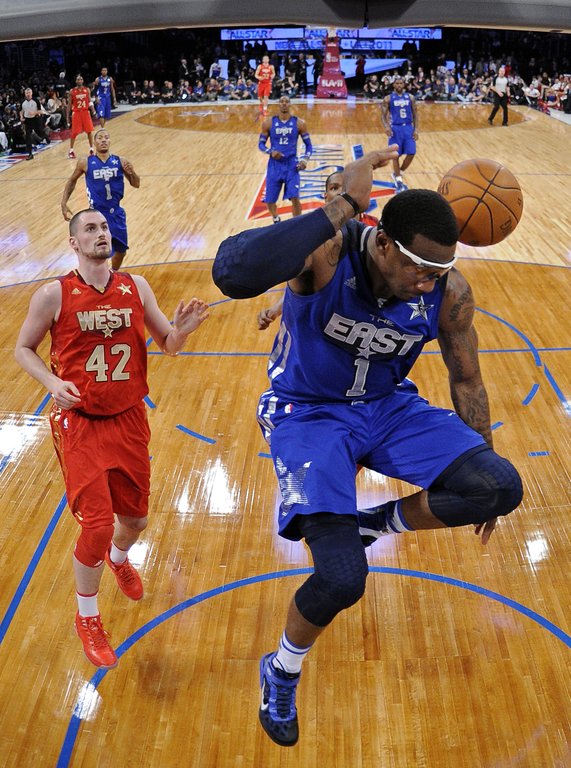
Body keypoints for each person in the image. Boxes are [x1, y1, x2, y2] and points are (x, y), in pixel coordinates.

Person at [213, 149, 523, 747]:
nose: (430, 283)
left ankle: (372, 522)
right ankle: (282, 670)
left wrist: (480, 458)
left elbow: (466, 379)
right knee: (342, 580)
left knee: (499, 485)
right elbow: (233, 271)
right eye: (420, 269)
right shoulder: (329, 253)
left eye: (440, 270)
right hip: (309, 413)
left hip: (387, 407)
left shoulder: (448, 291)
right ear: (382, 243)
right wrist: (342, 205)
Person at [15, 209, 208, 669]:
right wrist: (51, 383)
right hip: (80, 423)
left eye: (104, 227)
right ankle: (88, 617)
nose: (101, 233)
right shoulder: (53, 294)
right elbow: (23, 349)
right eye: (90, 229)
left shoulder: (136, 286)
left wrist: (181, 332)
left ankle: (119, 559)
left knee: (135, 520)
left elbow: (168, 344)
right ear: (74, 242)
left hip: (129, 418)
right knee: (97, 525)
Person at [256, 169, 378, 330]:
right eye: (334, 188)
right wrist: (276, 309)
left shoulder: (375, 228)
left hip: (363, 313)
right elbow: (301, 280)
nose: (340, 192)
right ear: (326, 197)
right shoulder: (313, 230)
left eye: (346, 187)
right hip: (326, 312)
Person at [61, 128, 139, 271]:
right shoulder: (85, 162)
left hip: (116, 213)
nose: (103, 140)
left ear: (110, 141)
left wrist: (132, 172)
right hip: (96, 214)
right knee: (97, 251)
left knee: (121, 252)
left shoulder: (120, 161)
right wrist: (64, 203)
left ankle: (113, 273)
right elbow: (72, 181)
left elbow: (136, 184)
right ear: (94, 142)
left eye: (106, 137)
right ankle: (97, 276)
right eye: (100, 138)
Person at [258, 95, 312, 223]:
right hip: (274, 165)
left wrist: (304, 160)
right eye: (281, 101)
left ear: (290, 104)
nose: (284, 103)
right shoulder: (268, 123)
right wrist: (270, 152)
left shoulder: (299, 123)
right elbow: (260, 144)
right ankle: (276, 218)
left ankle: (297, 223)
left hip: (291, 165)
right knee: (270, 200)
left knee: (295, 197)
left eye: (286, 101)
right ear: (278, 104)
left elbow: (309, 146)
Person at [381, 76, 418, 193]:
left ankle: (399, 172)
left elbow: (415, 115)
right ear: (394, 85)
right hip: (395, 128)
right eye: (397, 83)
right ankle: (398, 178)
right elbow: (383, 116)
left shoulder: (410, 97)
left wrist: (416, 129)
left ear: (404, 84)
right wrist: (386, 126)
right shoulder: (388, 98)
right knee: (395, 155)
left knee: (411, 153)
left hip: (408, 127)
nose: (399, 85)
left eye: (401, 83)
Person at [67, 74, 95, 159]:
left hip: (85, 112)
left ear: (83, 81)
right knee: (74, 132)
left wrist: (93, 110)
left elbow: (89, 101)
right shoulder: (72, 91)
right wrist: (67, 118)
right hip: (77, 113)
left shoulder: (87, 90)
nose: (80, 81)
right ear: (76, 81)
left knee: (89, 131)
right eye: (78, 79)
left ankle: (91, 149)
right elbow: (69, 105)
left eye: (81, 79)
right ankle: (71, 151)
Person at [19, 86, 51, 160]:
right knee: (28, 137)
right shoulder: (23, 102)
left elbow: (41, 111)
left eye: (29, 92)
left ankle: (46, 137)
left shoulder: (36, 100)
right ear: (25, 94)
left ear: (32, 93)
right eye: (26, 93)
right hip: (27, 121)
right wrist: (21, 117)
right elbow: (21, 111)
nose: (28, 94)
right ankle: (30, 154)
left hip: (36, 119)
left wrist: (34, 112)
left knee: (40, 133)